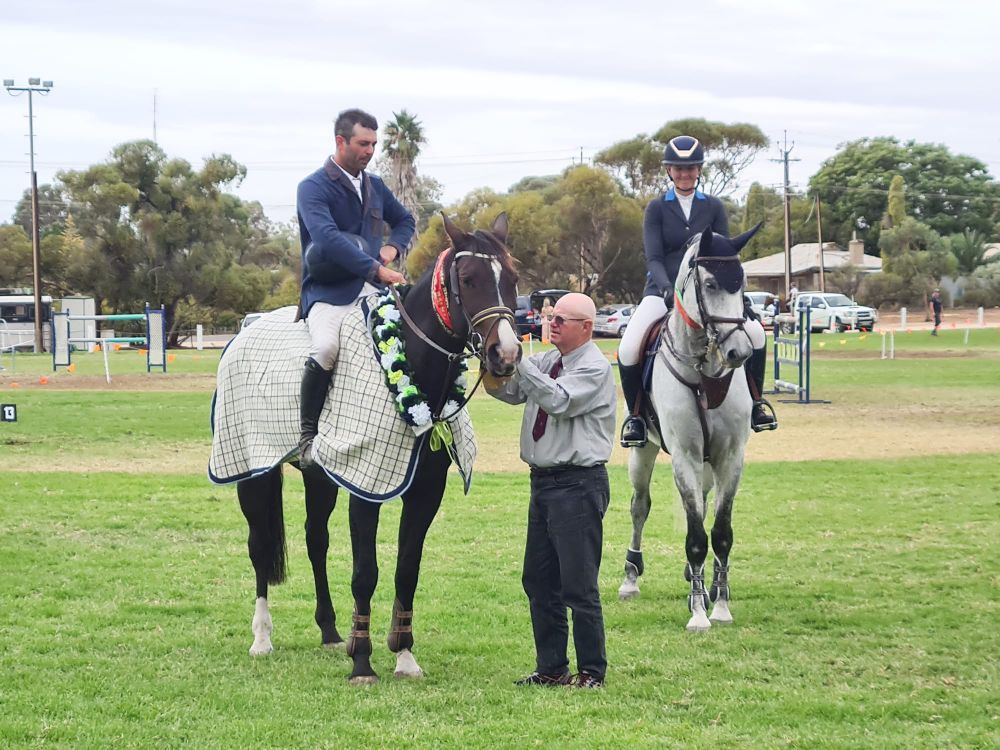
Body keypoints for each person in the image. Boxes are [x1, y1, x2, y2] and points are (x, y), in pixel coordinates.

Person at [484, 293, 616, 689]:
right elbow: (506, 392)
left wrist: (519, 362)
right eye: (550, 317)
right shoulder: (547, 361)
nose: (552, 324)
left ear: (586, 328)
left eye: (561, 318)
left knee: (578, 584)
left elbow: (557, 400)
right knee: (539, 581)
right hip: (542, 482)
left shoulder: (594, 367)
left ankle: (592, 671)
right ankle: (552, 668)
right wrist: (492, 361)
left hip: (578, 484)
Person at [618, 135, 774, 447]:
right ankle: (636, 417)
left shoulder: (713, 207)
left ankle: (756, 405)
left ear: (699, 170)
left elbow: (724, 253)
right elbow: (654, 257)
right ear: (669, 171)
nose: (684, 174)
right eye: (678, 168)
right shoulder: (657, 209)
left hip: (710, 293)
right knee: (628, 347)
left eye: (690, 168)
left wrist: (737, 297)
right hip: (662, 290)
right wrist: (665, 288)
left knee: (756, 334)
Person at [295, 108, 414, 467]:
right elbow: (328, 240)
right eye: (363, 143)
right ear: (340, 141)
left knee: (406, 341)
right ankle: (307, 436)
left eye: (374, 144)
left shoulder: (375, 185)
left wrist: (393, 248)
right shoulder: (312, 187)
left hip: (372, 290)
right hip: (328, 292)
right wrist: (377, 270)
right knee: (327, 347)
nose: (370, 151)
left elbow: (405, 220)